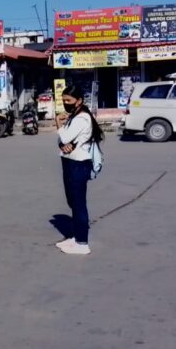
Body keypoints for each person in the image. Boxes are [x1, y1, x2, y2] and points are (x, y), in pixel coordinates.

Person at [55, 85, 103, 255]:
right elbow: (63, 141)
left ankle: (82, 243)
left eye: (68, 100)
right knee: (72, 202)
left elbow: (66, 136)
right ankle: (75, 237)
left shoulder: (82, 118)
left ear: (79, 101)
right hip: (69, 162)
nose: (65, 103)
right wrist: (62, 143)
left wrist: (58, 124)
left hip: (78, 164)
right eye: (63, 100)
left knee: (78, 203)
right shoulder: (74, 116)